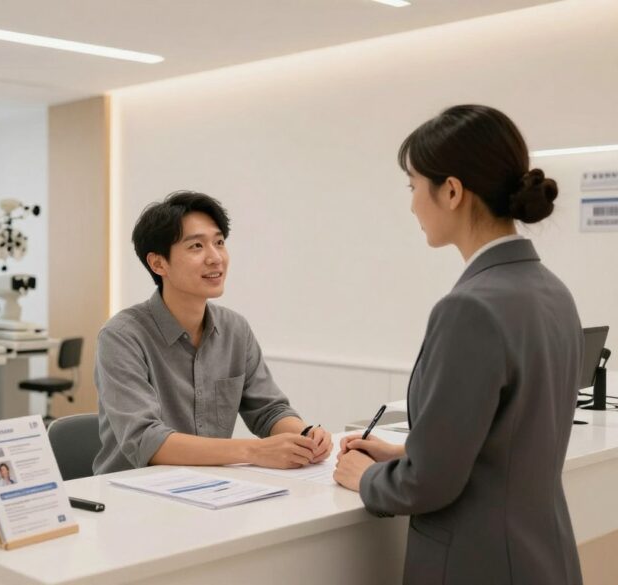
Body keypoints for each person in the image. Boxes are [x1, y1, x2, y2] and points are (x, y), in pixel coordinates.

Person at [333, 105, 583, 585]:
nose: (410, 205)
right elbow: (507, 446)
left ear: (450, 191)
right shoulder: (553, 290)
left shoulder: (469, 309)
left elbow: (428, 486)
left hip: (479, 562)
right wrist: (405, 455)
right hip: (544, 555)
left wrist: (363, 478)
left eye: (412, 186)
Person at [93, 191, 332, 475]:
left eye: (219, 242)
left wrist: (304, 435)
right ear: (158, 264)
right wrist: (254, 451)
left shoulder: (235, 329)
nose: (216, 257)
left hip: (211, 490)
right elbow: (147, 440)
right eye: (196, 246)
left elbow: (270, 411)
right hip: (131, 496)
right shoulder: (121, 336)